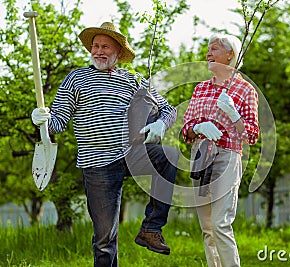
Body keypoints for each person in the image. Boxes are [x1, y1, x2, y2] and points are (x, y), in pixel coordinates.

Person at [31, 22, 178, 266]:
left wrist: (161, 124)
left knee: (168, 156)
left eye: (105, 46)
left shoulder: (133, 80)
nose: (98, 51)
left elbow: (169, 109)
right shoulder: (76, 78)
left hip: (129, 153)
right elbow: (56, 123)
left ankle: (151, 229)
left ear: (118, 52)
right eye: (95, 46)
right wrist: (41, 119)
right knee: (104, 239)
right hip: (96, 163)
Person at [182, 33, 259, 267]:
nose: (208, 54)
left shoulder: (245, 90)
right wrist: (198, 126)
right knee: (207, 227)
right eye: (208, 49)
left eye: (214, 49)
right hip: (201, 156)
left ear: (230, 55)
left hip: (227, 157)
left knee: (220, 223)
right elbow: (185, 130)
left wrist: (234, 114)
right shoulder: (200, 89)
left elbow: (252, 136)